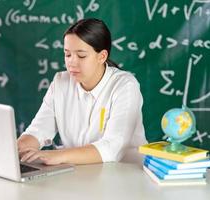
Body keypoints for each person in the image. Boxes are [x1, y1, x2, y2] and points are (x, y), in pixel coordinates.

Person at [17, 18, 147, 165]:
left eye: (81, 56)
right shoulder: (60, 82)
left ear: (102, 56)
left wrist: (57, 155)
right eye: (67, 54)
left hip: (125, 176)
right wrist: (17, 148)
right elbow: (38, 131)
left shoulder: (125, 85)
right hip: (80, 175)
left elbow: (112, 148)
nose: (72, 62)